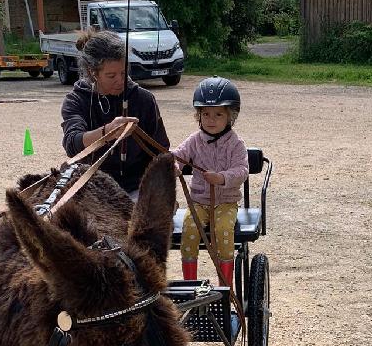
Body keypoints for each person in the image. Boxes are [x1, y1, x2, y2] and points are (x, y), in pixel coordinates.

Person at [60, 29, 169, 199]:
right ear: (92, 73)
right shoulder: (76, 100)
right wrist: (107, 131)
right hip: (91, 188)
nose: (121, 80)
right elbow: (72, 143)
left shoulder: (144, 99)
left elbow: (160, 149)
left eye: (123, 72)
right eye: (111, 75)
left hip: (137, 188)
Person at [170, 77, 249, 289]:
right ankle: (190, 288)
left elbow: (242, 171)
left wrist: (222, 178)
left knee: (223, 230)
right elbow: (177, 155)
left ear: (230, 117)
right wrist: (174, 166)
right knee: (189, 230)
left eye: (218, 114)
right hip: (198, 202)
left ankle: (225, 289)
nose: (211, 119)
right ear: (198, 115)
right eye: (205, 114)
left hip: (226, 203)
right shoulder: (194, 140)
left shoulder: (236, 144)